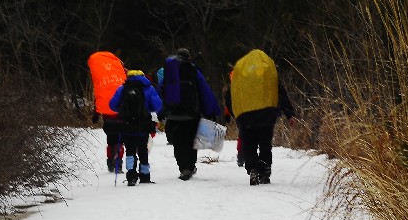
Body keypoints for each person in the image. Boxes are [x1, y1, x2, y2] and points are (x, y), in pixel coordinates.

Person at [226, 49, 296, 186]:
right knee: (265, 143)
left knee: (249, 144)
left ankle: (252, 168)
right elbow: (280, 93)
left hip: (245, 116)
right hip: (267, 114)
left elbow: (230, 95)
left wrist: (235, 115)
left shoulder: (240, 73)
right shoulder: (267, 73)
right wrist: (289, 114)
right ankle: (264, 170)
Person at [160, 48, 221, 181]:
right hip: (191, 113)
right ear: (189, 57)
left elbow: (162, 91)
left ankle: (183, 168)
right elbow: (204, 91)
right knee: (191, 141)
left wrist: (162, 112)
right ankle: (190, 166)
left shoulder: (169, 72)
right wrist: (210, 110)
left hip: (173, 113)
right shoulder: (193, 71)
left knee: (178, 142)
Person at [108, 70, 163, 185]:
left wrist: (123, 110)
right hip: (143, 125)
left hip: (127, 125)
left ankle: (131, 176)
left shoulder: (122, 88)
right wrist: (147, 109)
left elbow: (112, 105)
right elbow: (158, 106)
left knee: (130, 151)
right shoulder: (148, 88)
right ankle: (144, 176)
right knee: (143, 151)